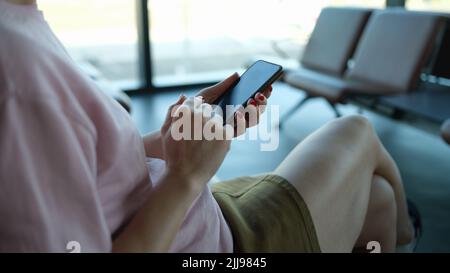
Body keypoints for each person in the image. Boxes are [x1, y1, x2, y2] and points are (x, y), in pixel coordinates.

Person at [0, 0, 414, 253]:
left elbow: (88, 167)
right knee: (356, 131)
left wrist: (168, 141)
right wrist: (187, 175)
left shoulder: (22, 21)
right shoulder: (19, 71)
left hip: (194, 215)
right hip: (211, 242)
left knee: (376, 201)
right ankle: (410, 233)